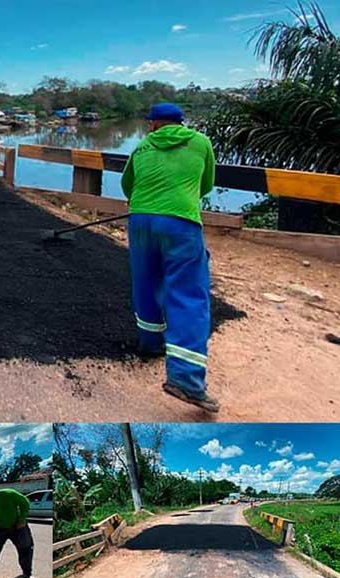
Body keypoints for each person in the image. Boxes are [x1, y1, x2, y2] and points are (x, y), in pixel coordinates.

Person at [121, 103, 219, 413]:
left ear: (153, 124)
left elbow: (127, 185)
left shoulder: (141, 147)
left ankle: (151, 344)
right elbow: (206, 184)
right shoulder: (200, 142)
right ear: (181, 123)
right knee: (189, 293)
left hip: (140, 221)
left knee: (146, 283)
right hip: (181, 221)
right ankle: (186, 379)